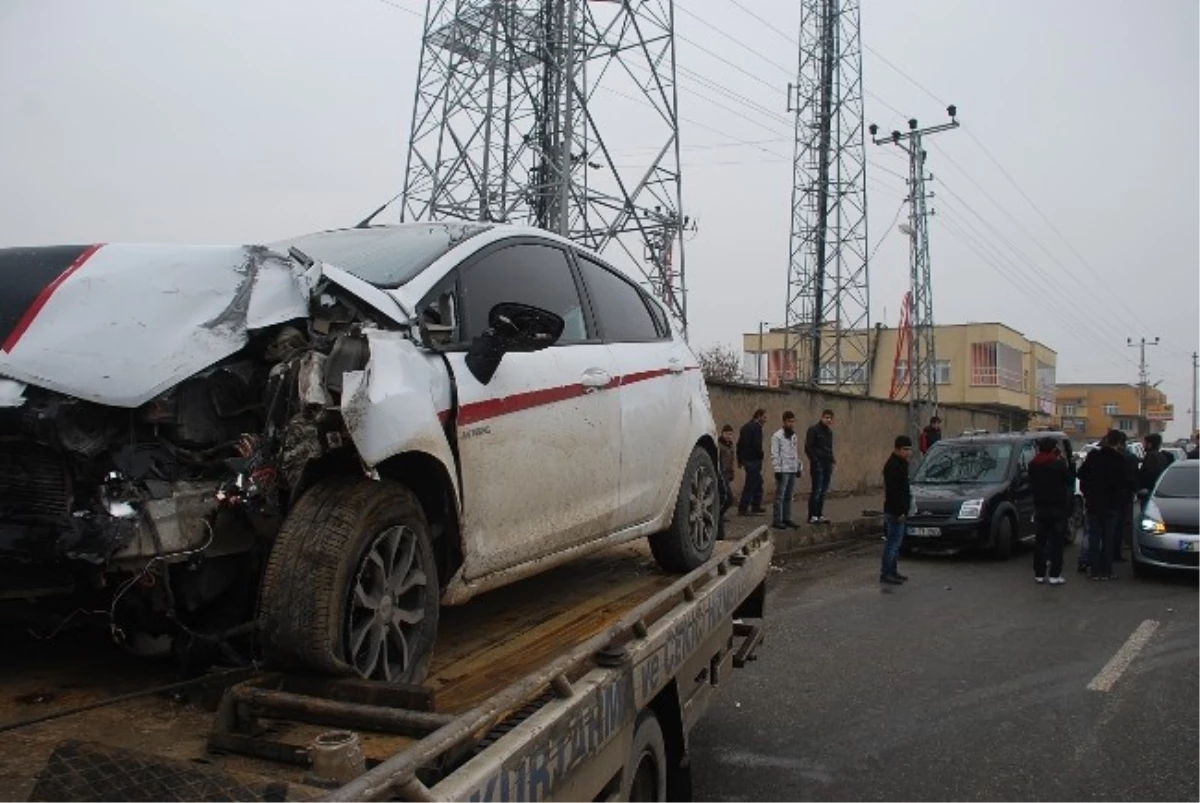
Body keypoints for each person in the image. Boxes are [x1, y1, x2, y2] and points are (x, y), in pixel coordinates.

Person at [1077, 430, 1128, 581]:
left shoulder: (1093, 456)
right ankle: (1108, 570)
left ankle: (1094, 571)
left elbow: (1081, 474)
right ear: (1118, 443)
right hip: (1111, 504)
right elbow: (1124, 482)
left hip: (1094, 503)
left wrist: (1087, 492)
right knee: (1108, 538)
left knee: (1094, 537)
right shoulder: (1120, 459)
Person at [1028, 437, 1071, 585]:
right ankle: (1054, 574)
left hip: (1040, 507)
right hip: (1057, 507)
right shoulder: (1058, 464)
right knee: (1057, 542)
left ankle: (1039, 574)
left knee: (1040, 541)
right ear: (1053, 448)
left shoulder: (1033, 464)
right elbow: (1068, 480)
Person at [881, 435, 913, 585]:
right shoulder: (893, 466)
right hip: (895, 511)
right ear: (897, 449)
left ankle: (893, 571)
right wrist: (900, 511)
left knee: (896, 543)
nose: (908, 452)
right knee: (892, 543)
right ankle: (886, 573)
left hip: (900, 510)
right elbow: (894, 492)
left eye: (909, 449)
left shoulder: (902, 464)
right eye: (905, 449)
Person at [770, 412, 802, 530]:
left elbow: (795, 453)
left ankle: (786, 518)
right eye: (789, 421)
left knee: (789, 496)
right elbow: (775, 454)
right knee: (780, 496)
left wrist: (798, 467)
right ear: (784, 422)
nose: (791, 424)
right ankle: (777, 520)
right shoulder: (777, 436)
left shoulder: (794, 436)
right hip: (783, 470)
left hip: (792, 468)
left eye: (793, 421)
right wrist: (777, 469)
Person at [804, 409, 836, 524]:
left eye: (830, 418)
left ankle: (819, 514)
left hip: (827, 464)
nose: (828, 420)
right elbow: (808, 447)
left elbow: (829, 448)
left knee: (823, 491)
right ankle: (812, 515)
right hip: (818, 465)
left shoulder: (829, 432)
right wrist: (815, 461)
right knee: (816, 490)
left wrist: (832, 460)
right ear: (821, 417)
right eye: (826, 417)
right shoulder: (813, 430)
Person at [736, 409, 768, 516]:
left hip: (747, 459)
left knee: (758, 482)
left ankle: (755, 505)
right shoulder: (756, 428)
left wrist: (740, 459)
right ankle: (743, 508)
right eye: (764, 417)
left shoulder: (745, 427)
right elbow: (756, 445)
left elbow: (739, 444)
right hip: (753, 460)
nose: (765, 420)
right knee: (751, 484)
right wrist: (761, 455)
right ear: (758, 416)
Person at [1139, 433, 1174, 502]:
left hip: (1149, 491)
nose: (1143, 445)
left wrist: (1144, 487)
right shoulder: (1161, 456)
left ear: (1150, 444)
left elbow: (1149, 473)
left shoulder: (1151, 456)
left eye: (1144, 443)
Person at [717, 424, 737, 523]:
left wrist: (732, 472)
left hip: (727, 474)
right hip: (721, 473)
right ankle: (718, 514)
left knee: (726, 497)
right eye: (727, 434)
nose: (728, 436)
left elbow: (732, 460)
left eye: (730, 434)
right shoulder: (719, 445)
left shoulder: (731, 446)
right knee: (728, 498)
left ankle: (720, 514)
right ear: (722, 434)